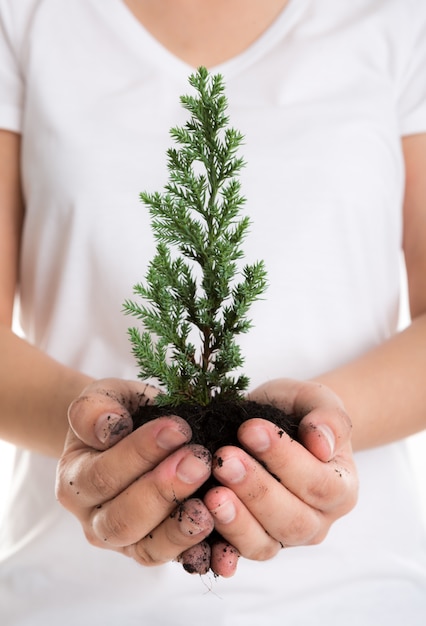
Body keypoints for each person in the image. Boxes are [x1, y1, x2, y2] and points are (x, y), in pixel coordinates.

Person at [0, 0, 425, 623]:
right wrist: (95, 428)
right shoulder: (25, 17)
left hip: (361, 595)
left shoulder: (402, 17)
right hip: (69, 598)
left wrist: (313, 432)